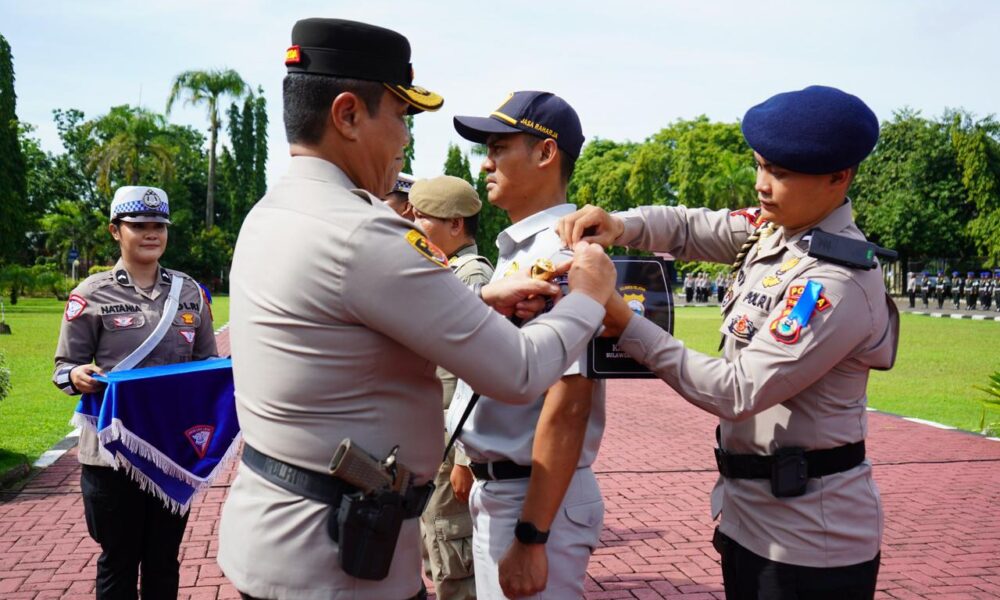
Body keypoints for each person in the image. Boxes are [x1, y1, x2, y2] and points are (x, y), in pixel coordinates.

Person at [216, 20, 618, 600]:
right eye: (400, 116)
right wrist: (588, 294)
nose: (405, 139)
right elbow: (520, 372)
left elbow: (345, 320)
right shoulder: (360, 232)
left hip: (289, 530)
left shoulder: (275, 210)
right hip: (334, 560)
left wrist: (476, 300)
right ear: (348, 115)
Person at [558, 85, 899, 599]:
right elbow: (692, 227)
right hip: (750, 516)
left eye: (780, 173)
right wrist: (621, 225)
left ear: (839, 177)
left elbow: (737, 391)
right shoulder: (776, 229)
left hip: (809, 542)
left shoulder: (833, 279)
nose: (762, 185)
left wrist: (625, 322)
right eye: (760, 165)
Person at [447, 90, 606, 599]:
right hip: (505, 486)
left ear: (545, 153)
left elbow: (569, 402)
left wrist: (532, 535)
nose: (486, 162)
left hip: (533, 498)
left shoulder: (563, 254)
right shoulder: (523, 248)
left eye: (499, 146)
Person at [52, 185, 216, 599]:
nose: (150, 233)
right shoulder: (91, 294)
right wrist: (77, 377)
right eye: (138, 225)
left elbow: (207, 368)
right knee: (118, 560)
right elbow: (63, 368)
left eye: (158, 225)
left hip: (169, 453)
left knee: (164, 560)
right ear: (114, 231)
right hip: (111, 455)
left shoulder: (190, 293)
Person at [410, 175, 493, 600]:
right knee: (436, 553)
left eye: (423, 216)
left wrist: (465, 458)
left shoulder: (470, 276)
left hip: (453, 448)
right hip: (435, 444)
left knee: (454, 562)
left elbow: (478, 371)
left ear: (456, 224)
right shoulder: (444, 270)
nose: (413, 222)